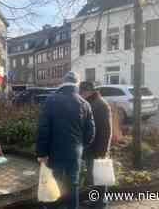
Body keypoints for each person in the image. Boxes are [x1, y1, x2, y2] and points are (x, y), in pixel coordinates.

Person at [36, 71, 96, 209]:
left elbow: (43, 129)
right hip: (74, 153)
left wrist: (42, 153)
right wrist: (81, 146)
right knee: (73, 185)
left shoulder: (51, 100)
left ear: (63, 82)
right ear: (77, 84)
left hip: (53, 152)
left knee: (53, 183)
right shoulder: (85, 104)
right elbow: (91, 131)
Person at [79, 81, 113, 209]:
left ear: (88, 91)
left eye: (81, 92)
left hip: (98, 149)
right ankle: (95, 201)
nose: (80, 95)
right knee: (94, 178)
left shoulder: (100, 105)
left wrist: (103, 151)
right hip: (92, 148)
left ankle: (100, 204)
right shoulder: (92, 103)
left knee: (100, 179)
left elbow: (106, 130)